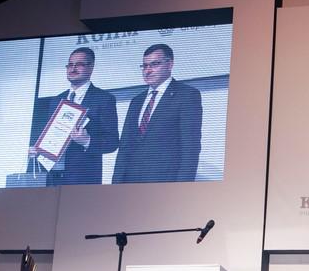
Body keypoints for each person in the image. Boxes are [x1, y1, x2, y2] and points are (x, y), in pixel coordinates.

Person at [112, 43, 202, 184]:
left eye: (154, 64)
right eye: (144, 66)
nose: (148, 70)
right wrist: (115, 186)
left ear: (170, 64)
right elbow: (124, 148)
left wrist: (183, 188)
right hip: (131, 184)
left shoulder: (186, 95)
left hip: (165, 183)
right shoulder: (136, 100)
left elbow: (190, 148)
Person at [28, 47, 119, 185]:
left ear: (91, 67)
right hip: (52, 177)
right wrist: (38, 149)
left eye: (79, 64)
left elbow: (112, 142)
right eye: (70, 65)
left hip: (83, 179)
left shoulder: (104, 99)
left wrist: (87, 141)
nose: (73, 68)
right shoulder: (56, 100)